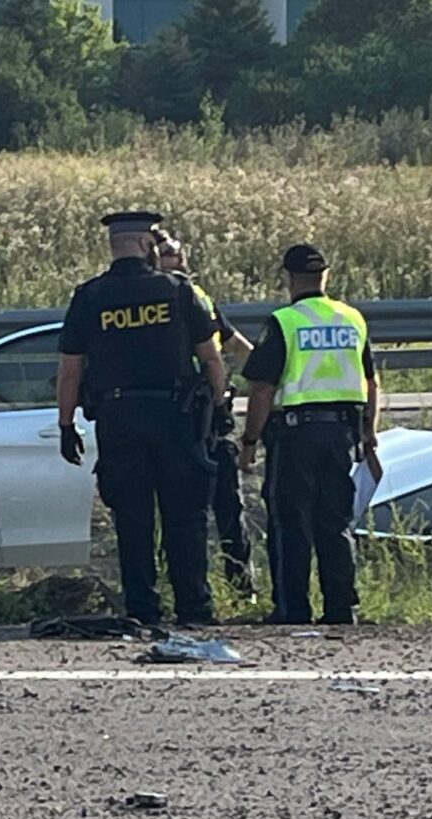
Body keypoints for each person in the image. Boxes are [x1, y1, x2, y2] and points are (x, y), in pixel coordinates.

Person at [56, 211, 227, 627]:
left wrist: (66, 426)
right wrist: (218, 408)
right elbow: (211, 359)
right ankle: (194, 609)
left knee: (132, 519)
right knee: (184, 517)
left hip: (119, 419)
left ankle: (143, 610)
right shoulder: (178, 290)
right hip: (176, 417)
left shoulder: (90, 296)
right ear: (147, 245)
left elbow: (70, 369)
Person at [236, 244, 380, 626]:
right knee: (335, 522)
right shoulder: (352, 318)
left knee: (290, 521)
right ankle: (340, 608)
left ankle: (292, 609)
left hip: (295, 436)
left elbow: (262, 388)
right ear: (326, 276)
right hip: (342, 435)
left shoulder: (284, 322)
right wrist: (369, 432)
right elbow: (371, 381)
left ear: (287, 278)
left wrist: (249, 442)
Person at [152, 227, 255, 594]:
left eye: (176, 253)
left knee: (229, 506)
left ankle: (242, 587)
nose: (173, 260)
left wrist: (265, 370)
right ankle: (181, 586)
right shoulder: (157, 301)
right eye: (165, 254)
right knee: (179, 511)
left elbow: (231, 343)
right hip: (178, 417)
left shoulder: (198, 298)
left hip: (211, 415)